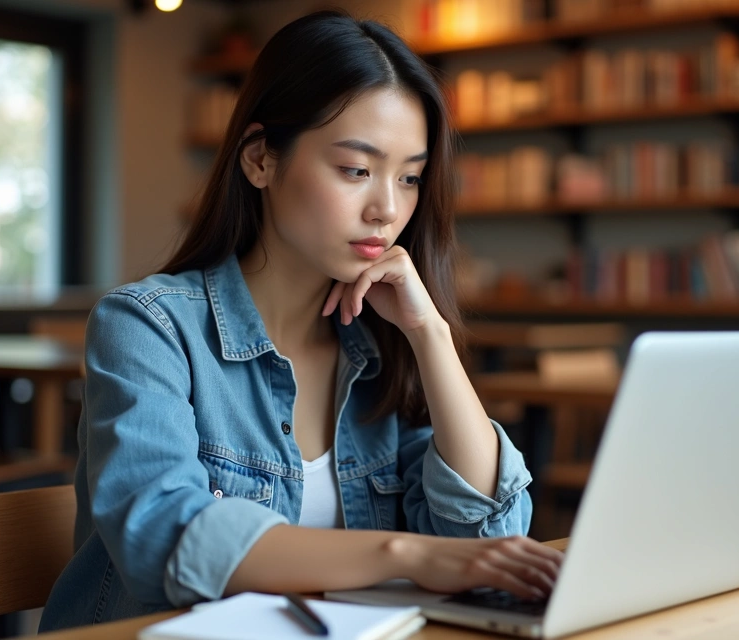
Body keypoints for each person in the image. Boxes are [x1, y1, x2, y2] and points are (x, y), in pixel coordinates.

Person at [39, 10, 562, 631]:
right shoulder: (148, 327)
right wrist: (407, 554)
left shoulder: (378, 346)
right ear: (260, 159)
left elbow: (484, 530)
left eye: (411, 177)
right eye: (356, 170)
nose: (387, 208)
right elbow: (165, 537)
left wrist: (432, 336)